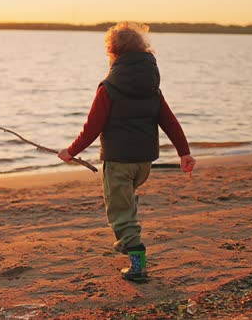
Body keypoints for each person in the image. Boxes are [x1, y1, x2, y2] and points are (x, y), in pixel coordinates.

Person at [58, 21, 196, 281]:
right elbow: (169, 121)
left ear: (113, 52)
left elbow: (92, 128)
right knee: (126, 204)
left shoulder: (109, 87)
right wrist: (184, 153)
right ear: (144, 50)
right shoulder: (152, 87)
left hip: (118, 161)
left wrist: (70, 151)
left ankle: (137, 263)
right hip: (143, 163)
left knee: (120, 213)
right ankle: (130, 236)